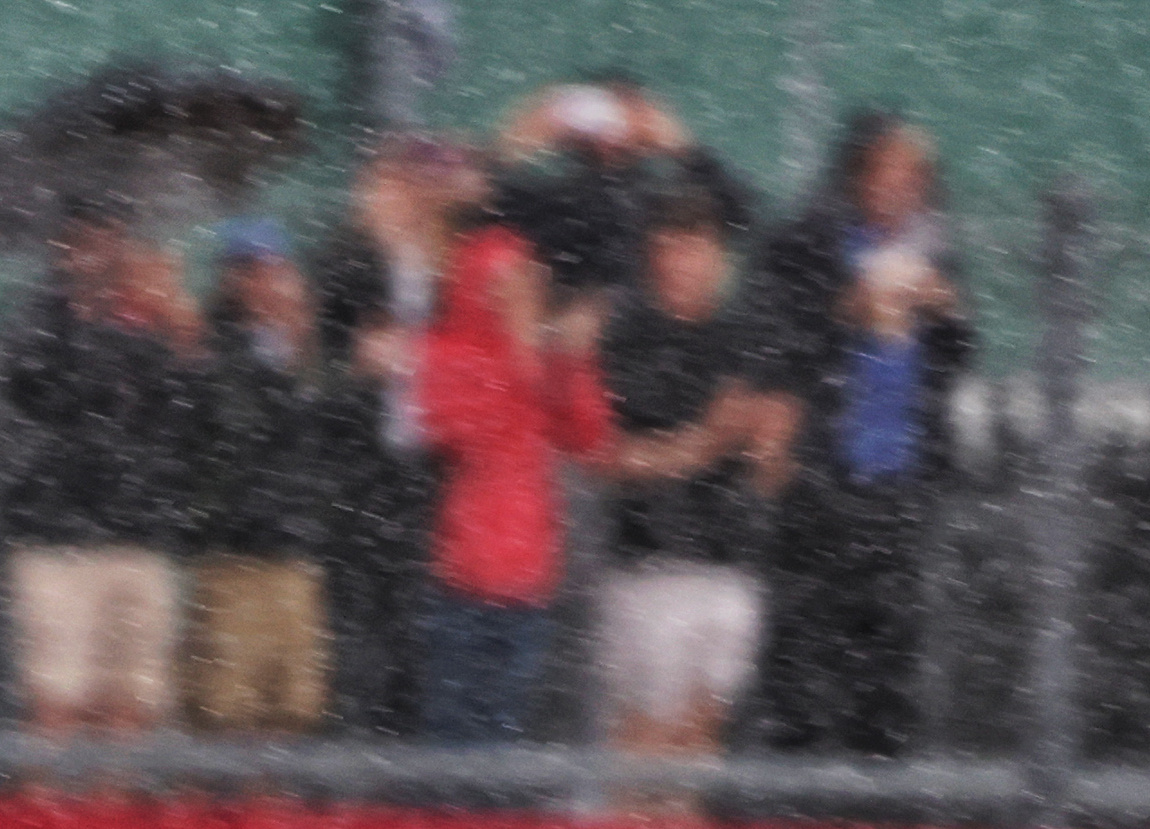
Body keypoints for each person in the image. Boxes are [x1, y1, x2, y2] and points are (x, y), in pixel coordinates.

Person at [746, 109, 971, 757]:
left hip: (900, 488)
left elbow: (955, 356)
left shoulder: (932, 251)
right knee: (803, 652)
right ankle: (798, 799)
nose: (903, 188)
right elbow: (775, 342)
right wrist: (847, 308)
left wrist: (943, 304)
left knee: (890, 655)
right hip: (820, 486)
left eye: (915, 177)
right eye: (888, 173)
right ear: (856, 175)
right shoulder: (808, 244)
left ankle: (881, 805)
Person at [0, 194, 204, 744]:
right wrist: (105, 322)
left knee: (132, 703)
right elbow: (48, 392)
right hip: (60, 537)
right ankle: (45, 823)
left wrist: (179, 328)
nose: (99, 254)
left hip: (138, 534)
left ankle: (115, 824)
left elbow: (194, 417)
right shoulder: (36, 316)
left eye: (111, 240)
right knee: (57, 701)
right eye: (85, 241)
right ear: (61, 248)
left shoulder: (153, 321)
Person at [595, 199, 791, 786]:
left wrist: (768, 444)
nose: (686, 263)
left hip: (729, 568)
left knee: (701, 747)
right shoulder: (627, 340)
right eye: (674, 248)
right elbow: (607, 457)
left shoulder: (746, 341)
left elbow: (769, 473)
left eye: (699, 248)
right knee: (641, 745)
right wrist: (705, 442)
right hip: (649, 569)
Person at [400, 220, 604, 745]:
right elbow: (453, 429)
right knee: (452, 732)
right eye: (506, 287)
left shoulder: (541, 358)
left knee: (503, 733)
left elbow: (587, 433)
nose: (519, 299)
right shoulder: (448, 351)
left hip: (528, 579)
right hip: (462, 580)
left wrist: (569, 360)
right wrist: (523, 353)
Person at [305, 134, 477, 739]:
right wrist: (358, 365)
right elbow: (313, 366)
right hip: (358, 475)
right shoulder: (344, 262)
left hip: (420, 474)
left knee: (410, 632)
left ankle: (395, 769)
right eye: (392, 188)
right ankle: (353, 764)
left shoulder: (443, 272)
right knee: (354, 636)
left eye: (411, 189)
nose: (403, 201)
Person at [181, 224, 357, 736]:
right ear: (231, 279)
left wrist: (298, 354)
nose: (268, 284)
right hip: (235, 554)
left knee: (291, 707)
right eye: (253, 271)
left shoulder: (309, 353)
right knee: (225, 708)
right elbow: (240, 430)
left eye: (274, 269)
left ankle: (272, 816)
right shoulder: (214, 346)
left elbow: (328, 436)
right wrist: (285, 363)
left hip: (296, 550)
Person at [485, 75, 752, 304]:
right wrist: (516, 141)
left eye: (625, 112)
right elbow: (477, 207)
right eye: (598, 113)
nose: (611, 129)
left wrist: (682, 146)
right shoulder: (552, 196)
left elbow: (742, 216)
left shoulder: (664, 200)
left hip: (638, 328)